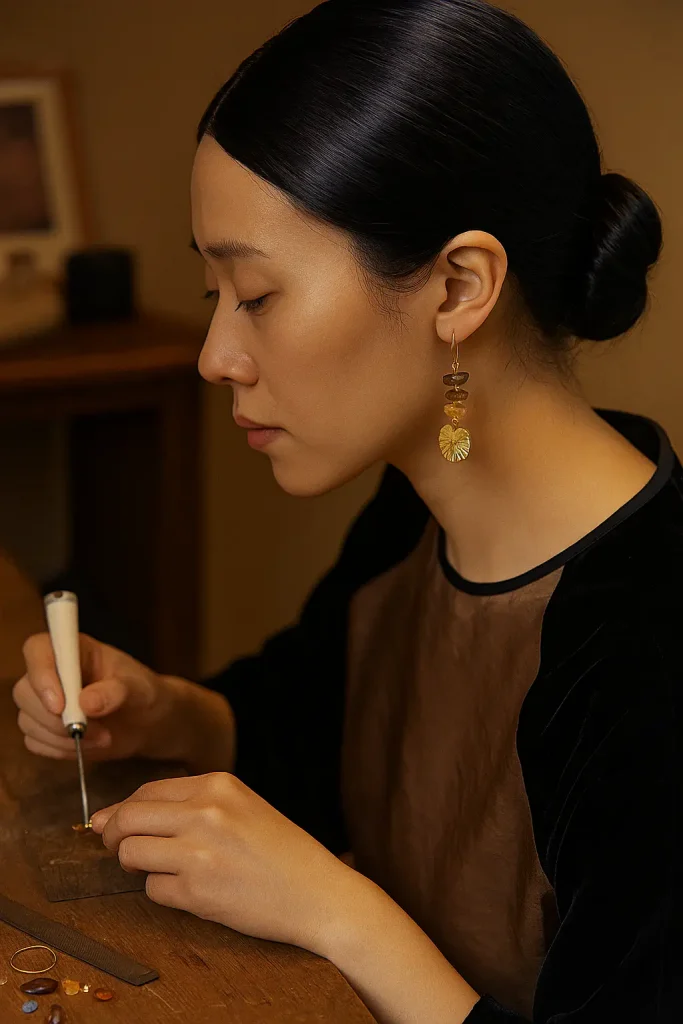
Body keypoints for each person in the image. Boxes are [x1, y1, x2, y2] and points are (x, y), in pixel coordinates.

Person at [12, 1, 680, 1020]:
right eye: (211, 298)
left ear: (458, 285)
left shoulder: (649, 646)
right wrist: (164, 711)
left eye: (257, 296)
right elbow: (311, 727)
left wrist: (339, 914)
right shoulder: (413, 512)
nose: (214, 358)